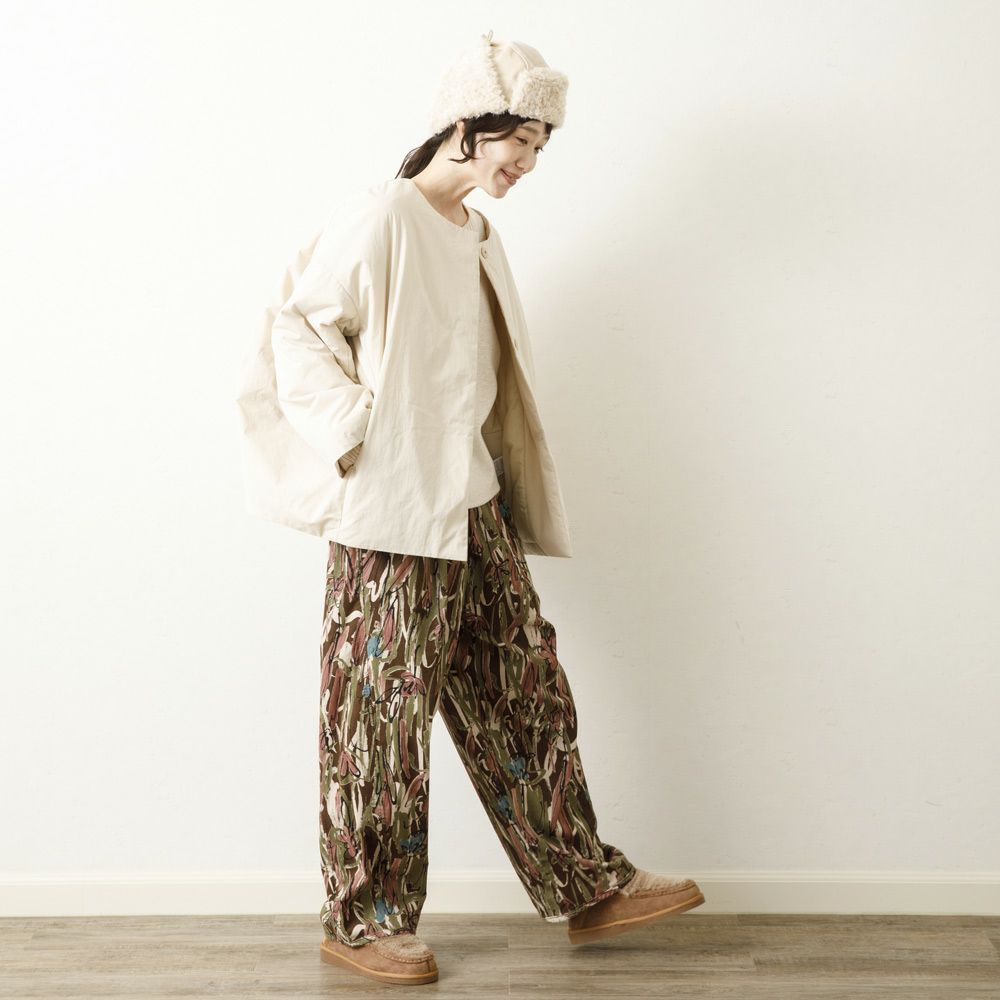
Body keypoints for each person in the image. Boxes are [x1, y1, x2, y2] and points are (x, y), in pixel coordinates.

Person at [241, 30, 705, 987]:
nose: (528, 161)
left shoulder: (477, 234)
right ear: (465, 125)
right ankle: (364, 921)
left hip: (471, 502)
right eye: (519, 140)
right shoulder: (385, 217)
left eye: (539, 146)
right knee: (380, 720)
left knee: (524, 689)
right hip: (393, 510)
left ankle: (585, 884)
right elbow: (296, 328)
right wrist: (361, 436)